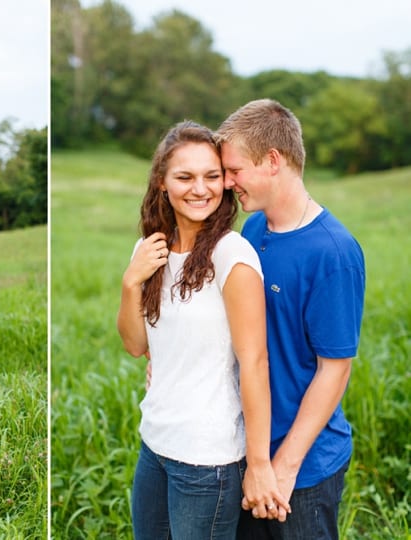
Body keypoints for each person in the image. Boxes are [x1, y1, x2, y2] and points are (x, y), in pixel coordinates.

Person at [117, 121, 289, 540]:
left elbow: (255, 363)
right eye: (185, 177)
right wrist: (130, 282)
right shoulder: (150, 249)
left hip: (208, 458)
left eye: (212, 176)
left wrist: (259, 464)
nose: (201, 189)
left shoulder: (232, 255)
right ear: (162, 182)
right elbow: (137, 345)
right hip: (154, 444)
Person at [216, 98, 366, 539]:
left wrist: (283, 468)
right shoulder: (253, 230)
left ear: (273, 161)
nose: (227, 183)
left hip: (302, 468)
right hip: (249, 450)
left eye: (234, 170)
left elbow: (334, 369)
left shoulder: (333, 253)